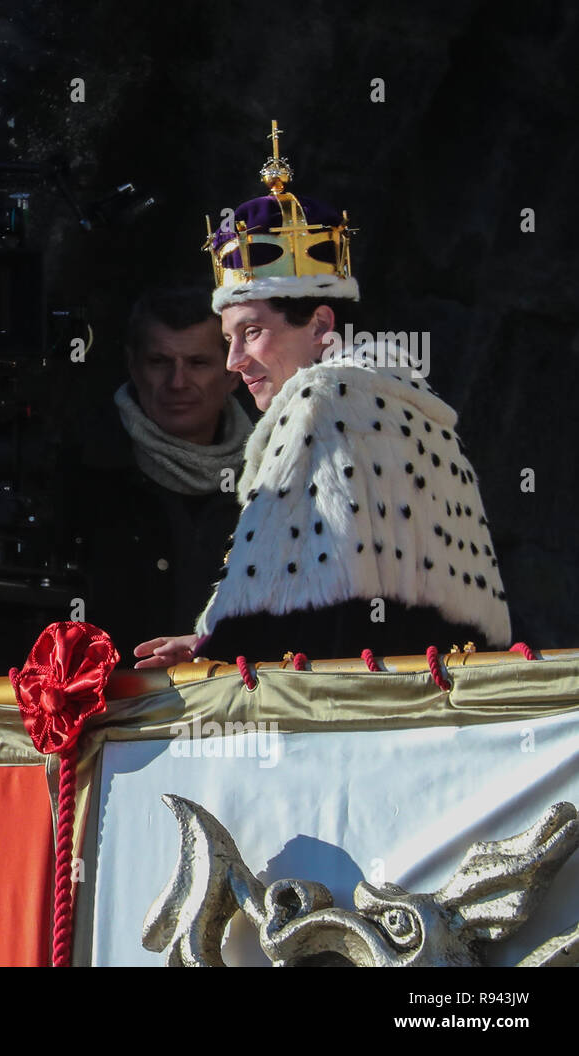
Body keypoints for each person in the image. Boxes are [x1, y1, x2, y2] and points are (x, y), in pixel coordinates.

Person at [134, 125, 510, 668]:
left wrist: (213, 650)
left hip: (337, 717)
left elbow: (293, 609)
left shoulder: (320, 396)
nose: (235, 362)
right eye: (227, 341)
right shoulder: (414, 406)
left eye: (252, 332)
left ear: (320, 323)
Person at [80, 285, 252, 656]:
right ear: (133, 365)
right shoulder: (78, 474)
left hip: (237, 703)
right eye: (160, 362)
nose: (177, 383)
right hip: (115, 707)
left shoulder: (275, 478)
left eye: (198, 363)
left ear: (233, 371)